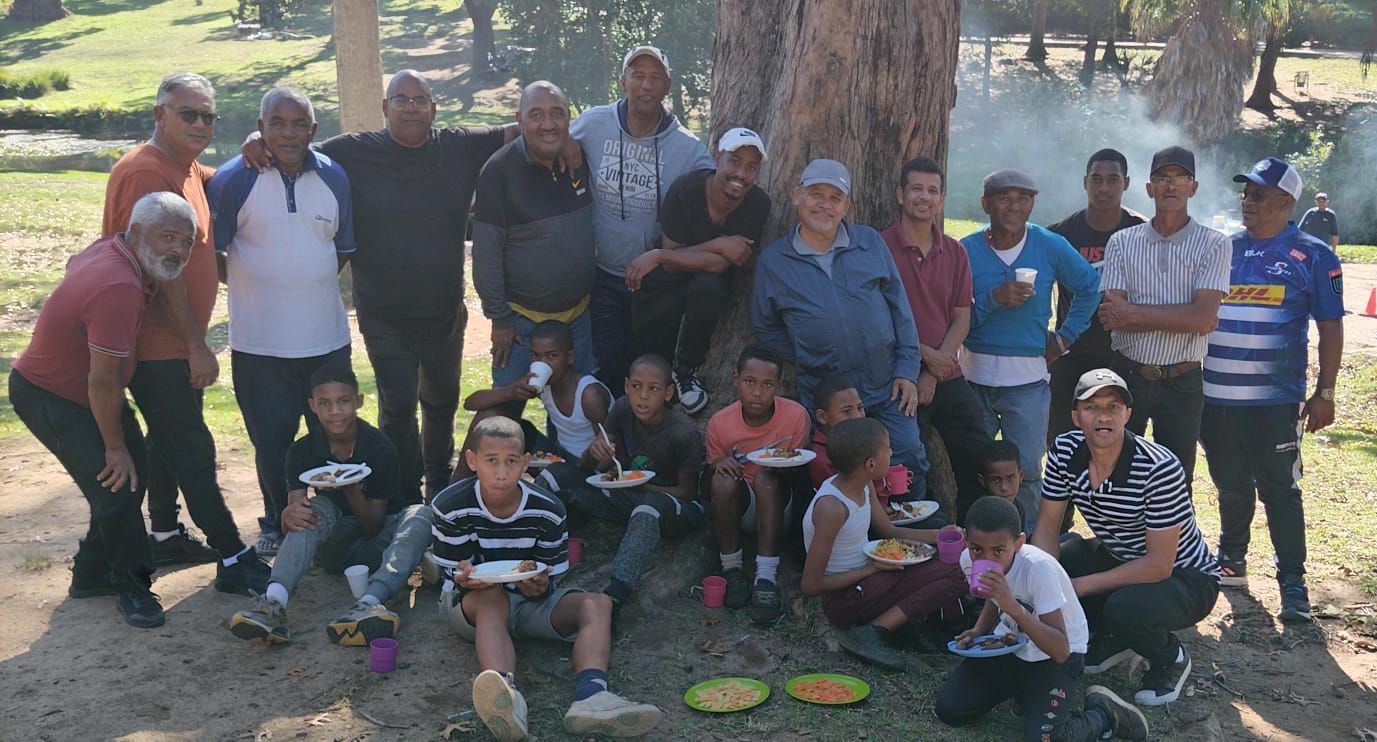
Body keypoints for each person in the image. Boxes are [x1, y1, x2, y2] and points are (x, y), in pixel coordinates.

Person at [244, 69, 522, 501]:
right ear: (385, 107)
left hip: (444, 311)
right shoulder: (354, 151)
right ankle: (403, 493)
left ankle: (438, 481)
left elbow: (520, 129)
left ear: (433, 108)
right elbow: (294, 146)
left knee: (442, 401)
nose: (410, 108)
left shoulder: (458, 145)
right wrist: (256, 139)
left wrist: (568, 141)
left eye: (419, 100)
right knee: (397, 407)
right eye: (400, 99)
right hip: (383, 314)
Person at [13, 192, 196, 626]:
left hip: (85, 392)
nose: (177, 249)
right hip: (51, 395)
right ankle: (133, 587)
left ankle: (92, 573)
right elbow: (104, 381)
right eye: (168, 237)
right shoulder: (119, 287)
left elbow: (74, 264)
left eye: (186, 242)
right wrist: (113, 447)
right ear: (137, 233)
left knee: (133, 475)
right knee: (116, 486)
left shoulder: (114, 249)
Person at [103, 72, 256, 568]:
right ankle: (233, 556)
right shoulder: (147, 173)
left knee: (167, 440)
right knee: (191, 449)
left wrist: (254, 146)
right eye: (188, 114)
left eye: (209, 116)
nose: (200, 124)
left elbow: (220, 176)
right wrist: (195, 345)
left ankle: (165, 533)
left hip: (175, 340)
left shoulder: (184, 166)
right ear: (159, 114)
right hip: (156, 342)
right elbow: (161, 269)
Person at [431, 417, 662, 740]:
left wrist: (540, 588)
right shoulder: (449, 506)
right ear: (472, 460)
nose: (501, 473)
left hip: (529, 602)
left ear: (526, 462)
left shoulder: (548, 509)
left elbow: (549, 574)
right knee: (492, 597)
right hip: (472, 605)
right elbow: (454, 577)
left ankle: (592, 697)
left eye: (511, 462)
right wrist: (466, 578)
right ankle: (504, 697)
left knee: (597, 604)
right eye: (491, 461)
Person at [207, 86, 353, 550]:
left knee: (334, 438)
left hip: (325, 340)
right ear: (261, 126)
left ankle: (337, 524)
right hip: (260, 346)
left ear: (313, 129)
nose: (289, 134)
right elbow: (212, 253)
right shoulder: (234, 178)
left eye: (298, 124)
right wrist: (254, 283)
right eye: (277, 124)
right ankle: (276, 524)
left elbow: (342, 248)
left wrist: (305, 280)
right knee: (273, 443)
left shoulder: (334, 176)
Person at [1201, 157, 1344, 623]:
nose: (1248, 201)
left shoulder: (1315, 255)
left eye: (1259, 194)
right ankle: (1231, 559)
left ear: (1286, 202)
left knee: (1279, 489)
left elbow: (1331, 328)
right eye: (1247, 193)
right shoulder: (1223, 249)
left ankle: (1292, 583)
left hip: (1274, 401)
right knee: (1230, 485)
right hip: (1215, 397)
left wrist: (1325, 392)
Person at [1033, 368, 1221, 707]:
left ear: (1128, 415)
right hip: (1119, 555)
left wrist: (1076, 588)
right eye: (1091, 407)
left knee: (1123, 607)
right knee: (1055, 562)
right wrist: (1039, 585)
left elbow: (1159, 565)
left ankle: (1171, 658)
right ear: (1076, 416)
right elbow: (1047, 528)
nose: (1103, 416)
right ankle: (1115, 638)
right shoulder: (1064, 450)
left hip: (1186, 576)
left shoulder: (1158, 467)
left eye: (1113, 407)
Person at [753, 158, 930, 494]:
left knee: (906, 456)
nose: (825, 205)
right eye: (815, 194)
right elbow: (765, 326)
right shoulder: (774, 260)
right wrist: (808, 352)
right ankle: (843, 526)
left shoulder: (869, 242)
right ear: (797, 196)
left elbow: (901, 310)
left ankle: (906, 525)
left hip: (886, 387)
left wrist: (907, 371)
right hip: (827, 395)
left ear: (847, 206)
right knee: (834, 467)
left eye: (835, 198)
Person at [229, 365, 433, 646]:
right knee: (317, 506)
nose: (335, 411)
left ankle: (370, 604)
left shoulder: (379, 446)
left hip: (383, 545)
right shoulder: (302, 450)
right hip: (335, 548)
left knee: (421, 514)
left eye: (344, 401)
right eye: (325, 403)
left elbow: (373, 527)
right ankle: (273, 603)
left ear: (358, 401)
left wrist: (351, 489)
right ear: (312, 406)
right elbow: (296, 517)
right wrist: (289, 515)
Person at [936, 496, 1148, 742]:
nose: (987, 559)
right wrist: (979, 630)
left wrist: (1014, 608)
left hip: (1056, 654)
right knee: (949, 709)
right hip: (1010, 645)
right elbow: (992, 598)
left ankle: (1103, 715)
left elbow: (1060, 649)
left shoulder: (1038, 569)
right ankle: (1024, 693)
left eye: (999, 551)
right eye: (977, 549)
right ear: (967, 541)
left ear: (1019, 543)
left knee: (1044, 739)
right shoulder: (967, 560)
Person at [961, 169, 1100, 532]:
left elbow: (1090, 287)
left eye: (1023, 199)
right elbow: (954, 319)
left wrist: (1065, 338)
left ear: (1032, 205)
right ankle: (978, 543)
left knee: (1026, 473)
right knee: (974, 469)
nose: (1014, 207)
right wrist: (993, 299)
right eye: (1004, 198)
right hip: (973, 379)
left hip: (1027, 384)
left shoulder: (1049, 245)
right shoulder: (966, 251)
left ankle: (1030, 547)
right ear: (985, 204)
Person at [570, 45, 714, 393]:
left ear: (667, 85)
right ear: (623, 81)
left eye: (655, 77)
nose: (646, 85)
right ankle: (607, 428)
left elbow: (717, 188)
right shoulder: (593, 124)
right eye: (638, 76)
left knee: (650, 370)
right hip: (601, 274)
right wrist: (566, 144)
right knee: (608, 367)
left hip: (653, 281)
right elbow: (553, 143)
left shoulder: (687, 147)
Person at [1099, 146, 1230, 484]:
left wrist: (1132, 313)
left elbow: (1202, 319)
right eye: (1161, 178)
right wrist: (1187, 317)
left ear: (1193, 187)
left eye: (1180, 178)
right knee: (1117, 472)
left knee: (1175, 480)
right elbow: (1112, 315)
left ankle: (1171, 523)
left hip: (1181, 379)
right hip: (1128, 373)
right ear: (1149, 188)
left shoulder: (1214, 244)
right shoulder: (1122, 242)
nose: (1171, 185)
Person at [625, 126, 772, 413]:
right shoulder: (686, 189)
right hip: (665, 283)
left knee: (709, 285)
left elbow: (720, 263)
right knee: (651, 353)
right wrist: (717, 244)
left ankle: (686, 372)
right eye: (734, 162)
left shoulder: (757, 204)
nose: (741, 174)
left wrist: (659, 255)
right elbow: (672, 260)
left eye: (751, 167)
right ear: (718, 159)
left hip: (707, 287)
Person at [801, 418, 967, 671]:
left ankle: (900, 623)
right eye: (887, 449)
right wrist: (871, 569)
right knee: (962, 571)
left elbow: (889, 530)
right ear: (870, 464)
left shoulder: (863, 485)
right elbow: (811, 585)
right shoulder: (832, 508)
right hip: (844, 600)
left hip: (870, 580)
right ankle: (873, 631)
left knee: (956, 560)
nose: (891, 453)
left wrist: (938, 534)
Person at [473, 81, 595, 416]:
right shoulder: (498, 172)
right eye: (536, 115)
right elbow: (486, 255)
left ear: (568, 119)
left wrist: (569, 142)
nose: (548, 124)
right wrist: (500, 319)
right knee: (502, 415)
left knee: (575, 417)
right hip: (520, 326)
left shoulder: (579, 159)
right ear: (519, 119)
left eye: (557, 114)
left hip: (577, 321)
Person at [879, 156, 990, 517]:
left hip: (946, 375)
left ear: (941, 199)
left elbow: (961, 319)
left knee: (980, 455)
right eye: (916, 188)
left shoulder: (955, 252)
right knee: (906, 461)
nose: (924, 197)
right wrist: (923, 359)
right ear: (900, 194)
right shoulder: (878, 249)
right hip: (895, 374)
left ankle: (975, 532)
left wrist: (933, 371)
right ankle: (916, 532)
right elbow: (875, 321)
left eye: (932, 190)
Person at [565, 354, 705, 613]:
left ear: (668, 392)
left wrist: (640, 487)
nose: (643, 396)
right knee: (563, 480)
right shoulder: (622, 408)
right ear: (627, 386)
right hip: (632, 496)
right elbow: (591, 468)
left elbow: (687, 492)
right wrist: (595, 452)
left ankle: (616, 594)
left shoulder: (683, 434)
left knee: (647, 508)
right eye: (636, 386)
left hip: (677, 509)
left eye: (653, 389)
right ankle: (535, 556)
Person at [705, 346, 812, 624]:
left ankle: (766, 576)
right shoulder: (720, 423)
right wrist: (720, 463)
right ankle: (732, 568)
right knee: (723, 479)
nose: (757, 392)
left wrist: (780, 469)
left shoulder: (796, 416)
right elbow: (713, 466)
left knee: (766, 478)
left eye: (767, 384)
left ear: (778, 385)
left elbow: (797, 466)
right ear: (735, 379)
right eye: (749, 381)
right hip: (741, 506)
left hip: (779, 506)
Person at [1047, 149, 1146, 443]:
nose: (1104, 187)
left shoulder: (1142, 233)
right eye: (1096, 179)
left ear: (1126, 183)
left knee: (1119, 445)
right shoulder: (1061, 235)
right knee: (1063, 442)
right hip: (1070, 353)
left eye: (1113, 180)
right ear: (1085, 182)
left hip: (1124, 355)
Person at [460, 319, 612, 469]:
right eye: (535, 356)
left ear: (570, 357)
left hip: (587, 465)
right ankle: (459, 481)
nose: (543, 363)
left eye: (552, 356)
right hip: (558, 456)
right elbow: (470, 403)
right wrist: (510, 391)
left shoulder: (590, 394)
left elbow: (608, 448)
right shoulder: (542, 384)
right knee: (490, 417)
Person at [806, 374, 949, 529]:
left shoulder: (859, 441)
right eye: (846, 411)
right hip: (858, 525)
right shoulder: (820, 459)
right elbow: (854, 506)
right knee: (936, 525)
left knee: (939, 519)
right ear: (822, 416)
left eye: (860, 408)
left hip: (878, 512)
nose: (857, 416)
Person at [975, 440, 1027, 528]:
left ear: (1020, 476)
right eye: (996, 480)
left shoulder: (1018, 506)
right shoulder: (980, 513)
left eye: (1010, 478)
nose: (1004, 487)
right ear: (982, 481)